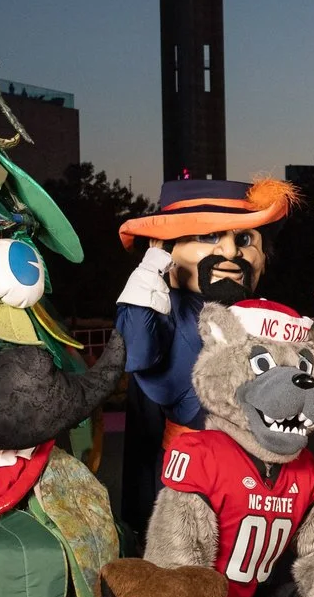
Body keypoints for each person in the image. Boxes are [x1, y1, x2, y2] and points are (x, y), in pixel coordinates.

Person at [113, 179, 295, 535]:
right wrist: (152, 267)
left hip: (257, 490)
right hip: (185, 484)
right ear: (165, 248)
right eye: (209, 237)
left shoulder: (269, 318)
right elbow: (135, 351)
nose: (229, 252)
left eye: (245, 240)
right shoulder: (163, 311)